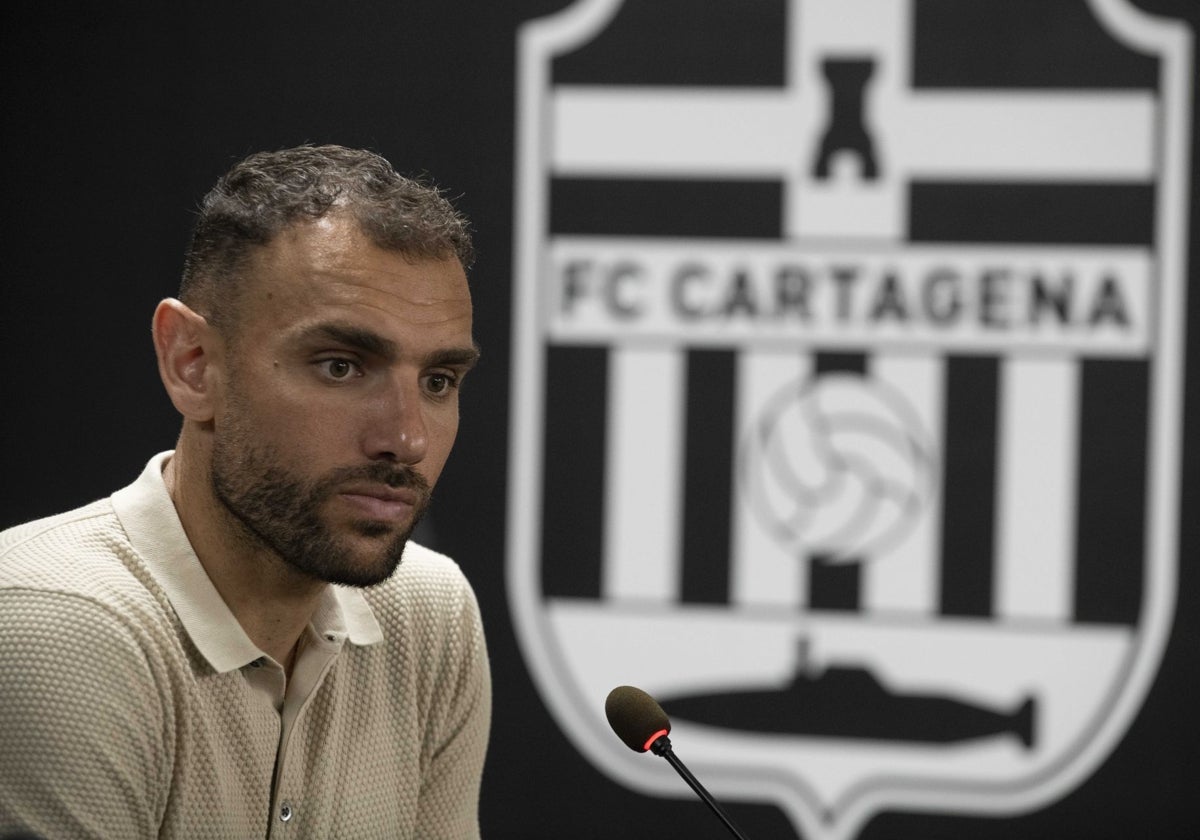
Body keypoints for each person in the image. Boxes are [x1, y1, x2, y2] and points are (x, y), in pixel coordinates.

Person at [0, 145, 491, 838]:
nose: (407, 440)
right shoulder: (57, 626)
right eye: (341, 366)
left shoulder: (427, 614)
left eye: (439, 381)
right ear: (192, 364)